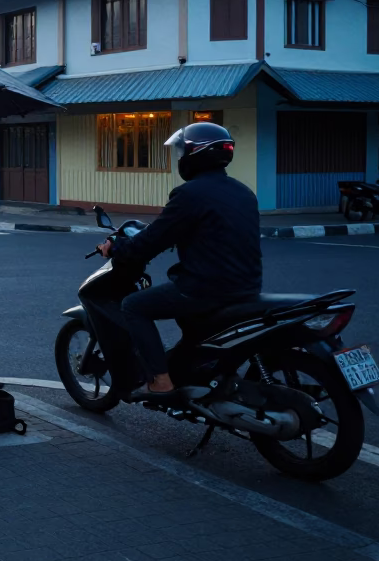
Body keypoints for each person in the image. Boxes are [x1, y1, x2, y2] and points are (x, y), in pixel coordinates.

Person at [99, 122, 262, 402]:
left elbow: (152, 240)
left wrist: (117, 248)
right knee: (192, 333)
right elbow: (213, 233)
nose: (179, 159)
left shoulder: (189, 194)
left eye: (181, 152)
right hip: (247, 287)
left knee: (133, 306)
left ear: (194, 154)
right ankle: (199, 371)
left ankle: (160, 382)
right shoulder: (243, 192)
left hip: (206, 289)